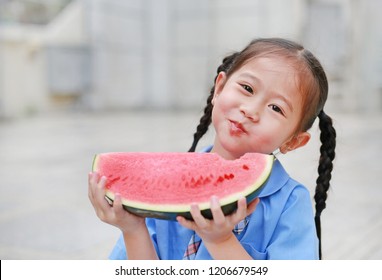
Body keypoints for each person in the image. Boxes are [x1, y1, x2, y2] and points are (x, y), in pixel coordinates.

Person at [88, 37, 336, 260]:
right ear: (219, 88)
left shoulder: (291, 205)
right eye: (247, 89)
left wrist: (221, 241)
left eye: (276, 108)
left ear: (292, 141)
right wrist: (132, 229)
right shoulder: (167, 182)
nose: (250, 111)